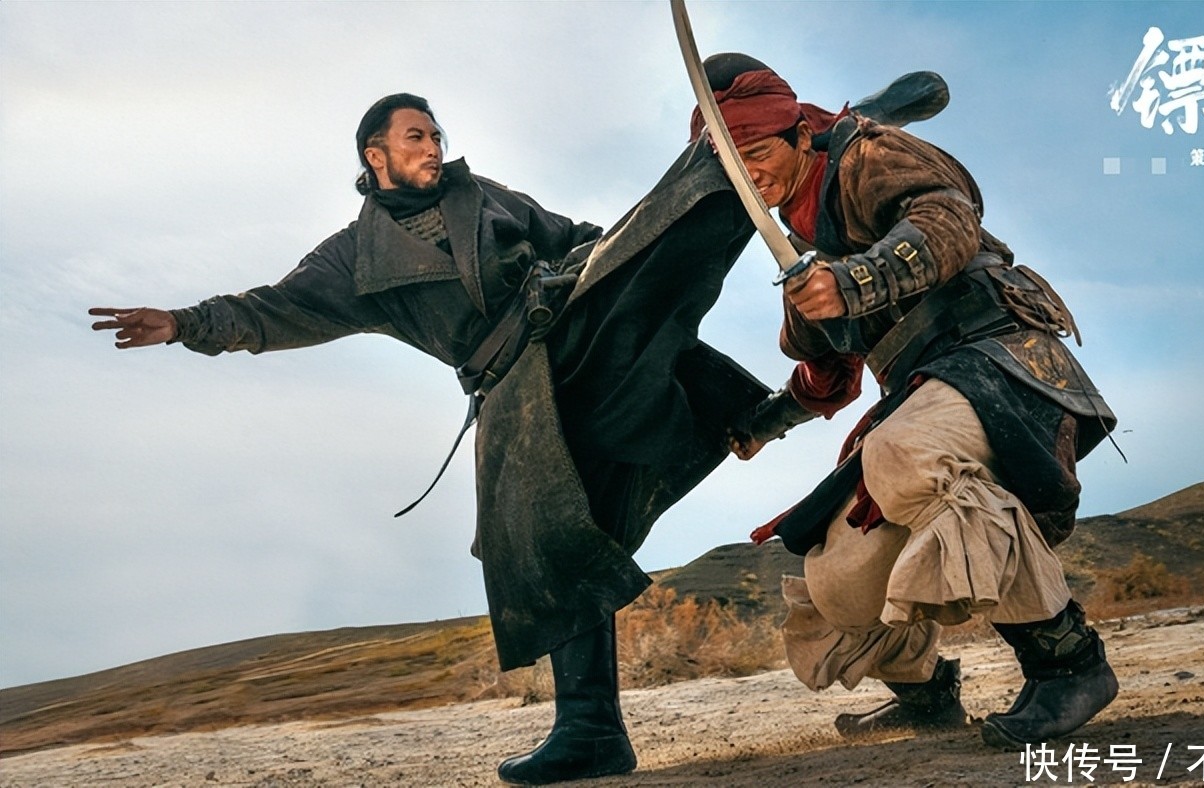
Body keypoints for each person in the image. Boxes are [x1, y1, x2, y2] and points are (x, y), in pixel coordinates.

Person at [91, 92, 769, 784]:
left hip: (579, 327)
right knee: (554, 543)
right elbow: (273, 309)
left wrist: (630, 247)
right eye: (415, 136)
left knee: (674, 207)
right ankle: (591, 732)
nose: (433, 146)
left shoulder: (483, 195)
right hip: (519, 394)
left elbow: (577, 235)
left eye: (436, 135)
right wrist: (184, 323)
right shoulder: (356, 258)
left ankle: (765, 164)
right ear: (375, 154)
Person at [694, 54, 1121, 749]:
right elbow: (829, 375)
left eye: (759, 153)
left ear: (800, 135)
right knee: (839, 577)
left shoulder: (868, 155)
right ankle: (926, 693)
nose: (751, 175)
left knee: (903, 454)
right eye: (734, 167)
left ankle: (1069, 666)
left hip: (1002, 361)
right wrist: (764, 424)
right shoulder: (799, 250)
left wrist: (854, 281)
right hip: (920, 394)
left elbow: (948, 220)